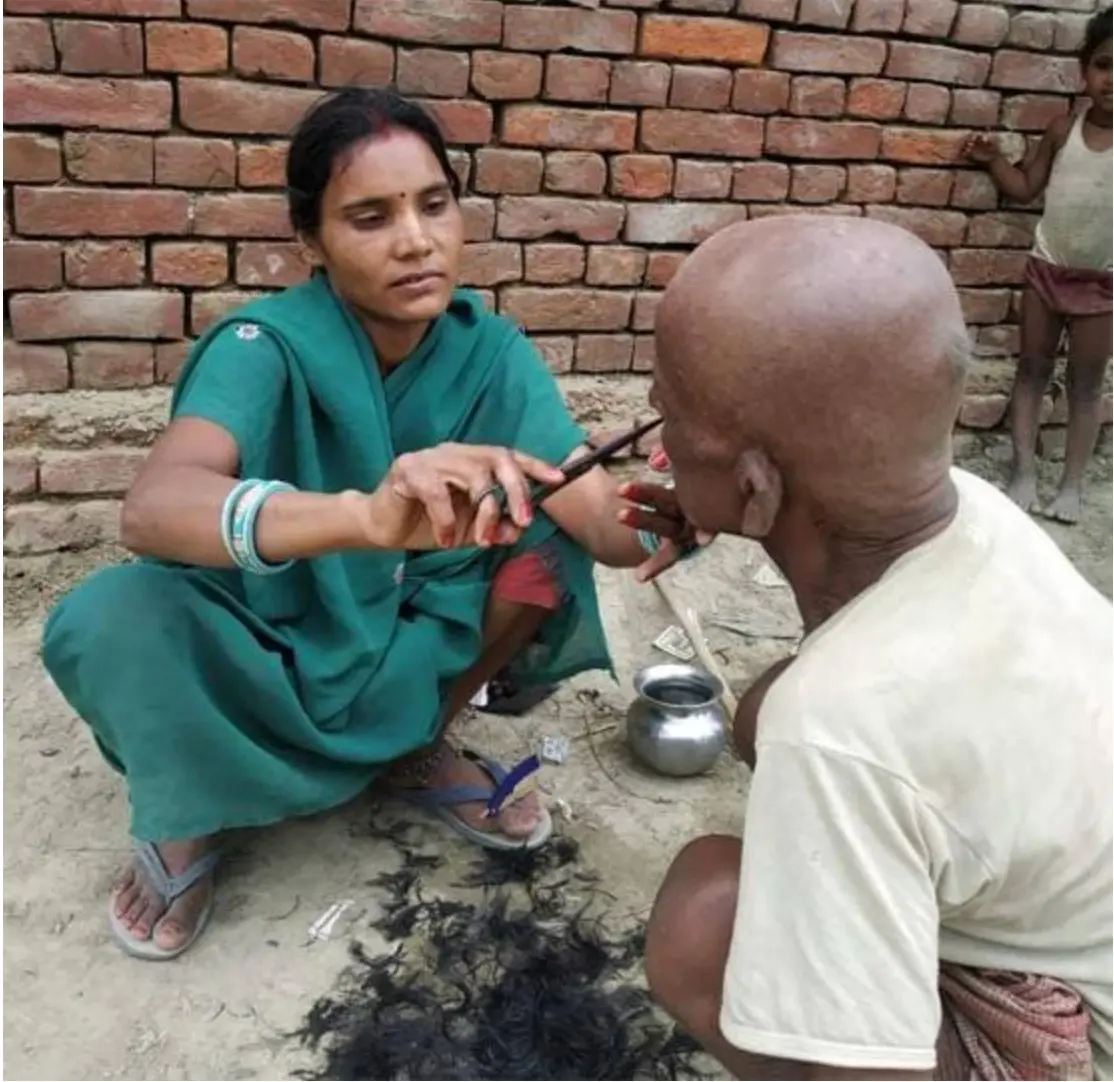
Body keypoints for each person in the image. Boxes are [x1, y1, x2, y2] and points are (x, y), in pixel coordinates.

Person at [40, 88, 683, 961]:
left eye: (434, 204)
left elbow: (606, 527)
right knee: (109, 617)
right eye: (370, 217)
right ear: (311, 241)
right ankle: (189, 809)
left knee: (542, 531)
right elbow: (153, 509)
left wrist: (686, 494)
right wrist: (367, 519)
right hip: (271, 642)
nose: (417, 240)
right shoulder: (262, 346)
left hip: (413, 648)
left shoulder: (490, 352)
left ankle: (414, 747)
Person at [628, 215, 1113, 1080]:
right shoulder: (973, 510)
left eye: (669, 422)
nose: (657, 440)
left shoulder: (842, 723)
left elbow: (851, 719)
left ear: (757, 486)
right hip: (1074, 909)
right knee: (767, 712)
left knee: (703, 918)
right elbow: (860, 674)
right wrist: (727, 509)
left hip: (1086, 1045)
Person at [964, 6, 1112, 523]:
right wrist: (994, 161)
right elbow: (1026, 187)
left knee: (1087, 384)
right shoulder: (1062, 130)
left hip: (1105, 284)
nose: (1113, 80)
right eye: (1105, 65)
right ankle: (1023, 471)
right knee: (1031, 369)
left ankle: (1071, 485)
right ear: (1084, 72)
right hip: (1047, 270)